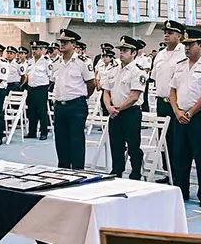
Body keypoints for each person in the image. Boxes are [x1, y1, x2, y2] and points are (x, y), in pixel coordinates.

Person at [169, 28, 201, 207]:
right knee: (180, 156)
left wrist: (190, 113)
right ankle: (181, 191)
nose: (187, 48)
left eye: (191, 45)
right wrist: (177, 111)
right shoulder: (180, 65)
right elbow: (172, 90)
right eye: (185, 45)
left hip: (199, 117)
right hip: (180, 115)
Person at [51, 29, 95, 168]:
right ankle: (63, 169)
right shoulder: (56, 62)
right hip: (60, 106)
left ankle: (77, 171)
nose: (62, 44)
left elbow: (91, 84)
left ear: (73, 44)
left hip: (76, 106)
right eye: (61, 42)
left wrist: (82, 97)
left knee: (76, 141)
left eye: (65, 42)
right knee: (61, 141)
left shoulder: (83, 61)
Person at [104, 36, 147, 179]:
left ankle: (136, 172)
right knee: (116, 145)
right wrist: (109, 107)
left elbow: (134, 96)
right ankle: (117, 171)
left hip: (130, 113)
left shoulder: (138, 71)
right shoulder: (114, 69)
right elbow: (106, 91)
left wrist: (117, 109)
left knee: (133, 145)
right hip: (114, 112)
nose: (121, 53)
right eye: (120, 50)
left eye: (125, 50)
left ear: (133, 53)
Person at [152, 20, 186, 158]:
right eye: (165, 33)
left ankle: (177, 173)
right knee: (164, 139)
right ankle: (168, 172)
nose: (166, 35)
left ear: (179, 35)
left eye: (170, 33)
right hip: (162, 101)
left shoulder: (184, 52)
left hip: (177, 103)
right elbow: (155, 77)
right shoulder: (160, 54)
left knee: (177, 139)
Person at [25, 40, 52, 139]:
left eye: (36, 49)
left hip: (41, 89)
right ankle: (32, 132)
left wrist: (46, 88)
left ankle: (43, 132)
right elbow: (27, 75)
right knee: (31, 111)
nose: (34, 51)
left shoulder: (46, 61)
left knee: (42, 111)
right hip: (31, 88)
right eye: (33, 49)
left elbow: (51, 76)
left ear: (41, 50)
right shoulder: (30, 61)